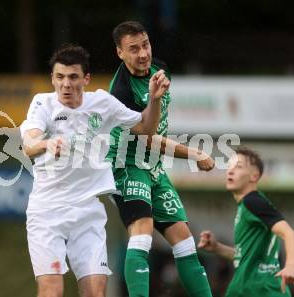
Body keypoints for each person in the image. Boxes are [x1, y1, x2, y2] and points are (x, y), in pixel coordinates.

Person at [20, 44, 171, 297]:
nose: (66, 84)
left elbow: (146, 128)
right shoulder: (42, 104)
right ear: (52, 79)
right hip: (47, 213)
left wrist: (154, 99)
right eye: (59, 77)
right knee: (52, 291)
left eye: (73, 77)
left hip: (87, 212)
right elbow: (29, 144)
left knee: (95, 292)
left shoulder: (103, 103)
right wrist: (47, 143)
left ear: (86, 79)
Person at [106, 20, 214, 297]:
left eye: (145, 45)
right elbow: (147, 134)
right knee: (142, 233)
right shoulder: (120, 92)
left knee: (185, 243)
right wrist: (194, 153)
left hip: (152, 167)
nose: (143, 53)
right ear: (120, 53)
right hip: (127, 166)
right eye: (133, 49)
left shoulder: (159, 69)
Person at [198, 147, 294, 297]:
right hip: (248, 287)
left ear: (254, 176)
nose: (230, 171)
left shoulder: (253, 201)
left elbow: (289, 233)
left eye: (238, 167)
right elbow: (246, 256)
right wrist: (217, 247)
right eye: (229, 167)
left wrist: (290, 266)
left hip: (259, 289)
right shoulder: (248, 205)